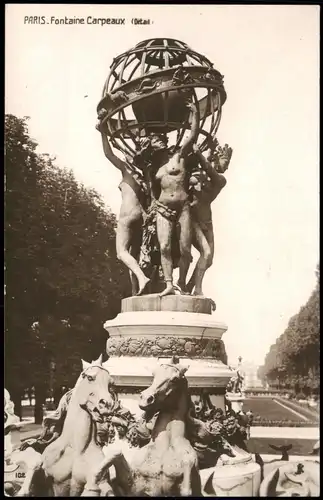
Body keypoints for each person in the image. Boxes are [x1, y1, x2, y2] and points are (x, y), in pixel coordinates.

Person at [146, 101, 200, 296]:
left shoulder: (179, 156)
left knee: (186, 249)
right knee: (164, 246)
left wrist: (195, 114)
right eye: (152, 139)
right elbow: (152, 189)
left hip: (183, 208)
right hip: (163, 209)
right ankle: (169, 284)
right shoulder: (154, 168)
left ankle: (182, 283)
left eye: (157, 138)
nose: (155, 141)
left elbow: (192, 136)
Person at [97, 125, 151, 296]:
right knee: (133, 255)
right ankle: (136, 292)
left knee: (122, 253)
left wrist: (103, 133)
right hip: (142, 215)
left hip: (127, 214)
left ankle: (142, 279)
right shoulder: (145, 175)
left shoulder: (126, 169)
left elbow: (108, 154)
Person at [186, 138, 232, 295]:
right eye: (225, 161)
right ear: (216, 159)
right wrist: (207, 151)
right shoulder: (198, 173)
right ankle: (197, 289)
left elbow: (209, 169)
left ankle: (190, 286)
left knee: (209, 259)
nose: (226, 166)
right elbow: (205, 166)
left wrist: (200, 153)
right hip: (192, 219)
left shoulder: (220, 180)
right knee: (206, 253)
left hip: (206, 221)